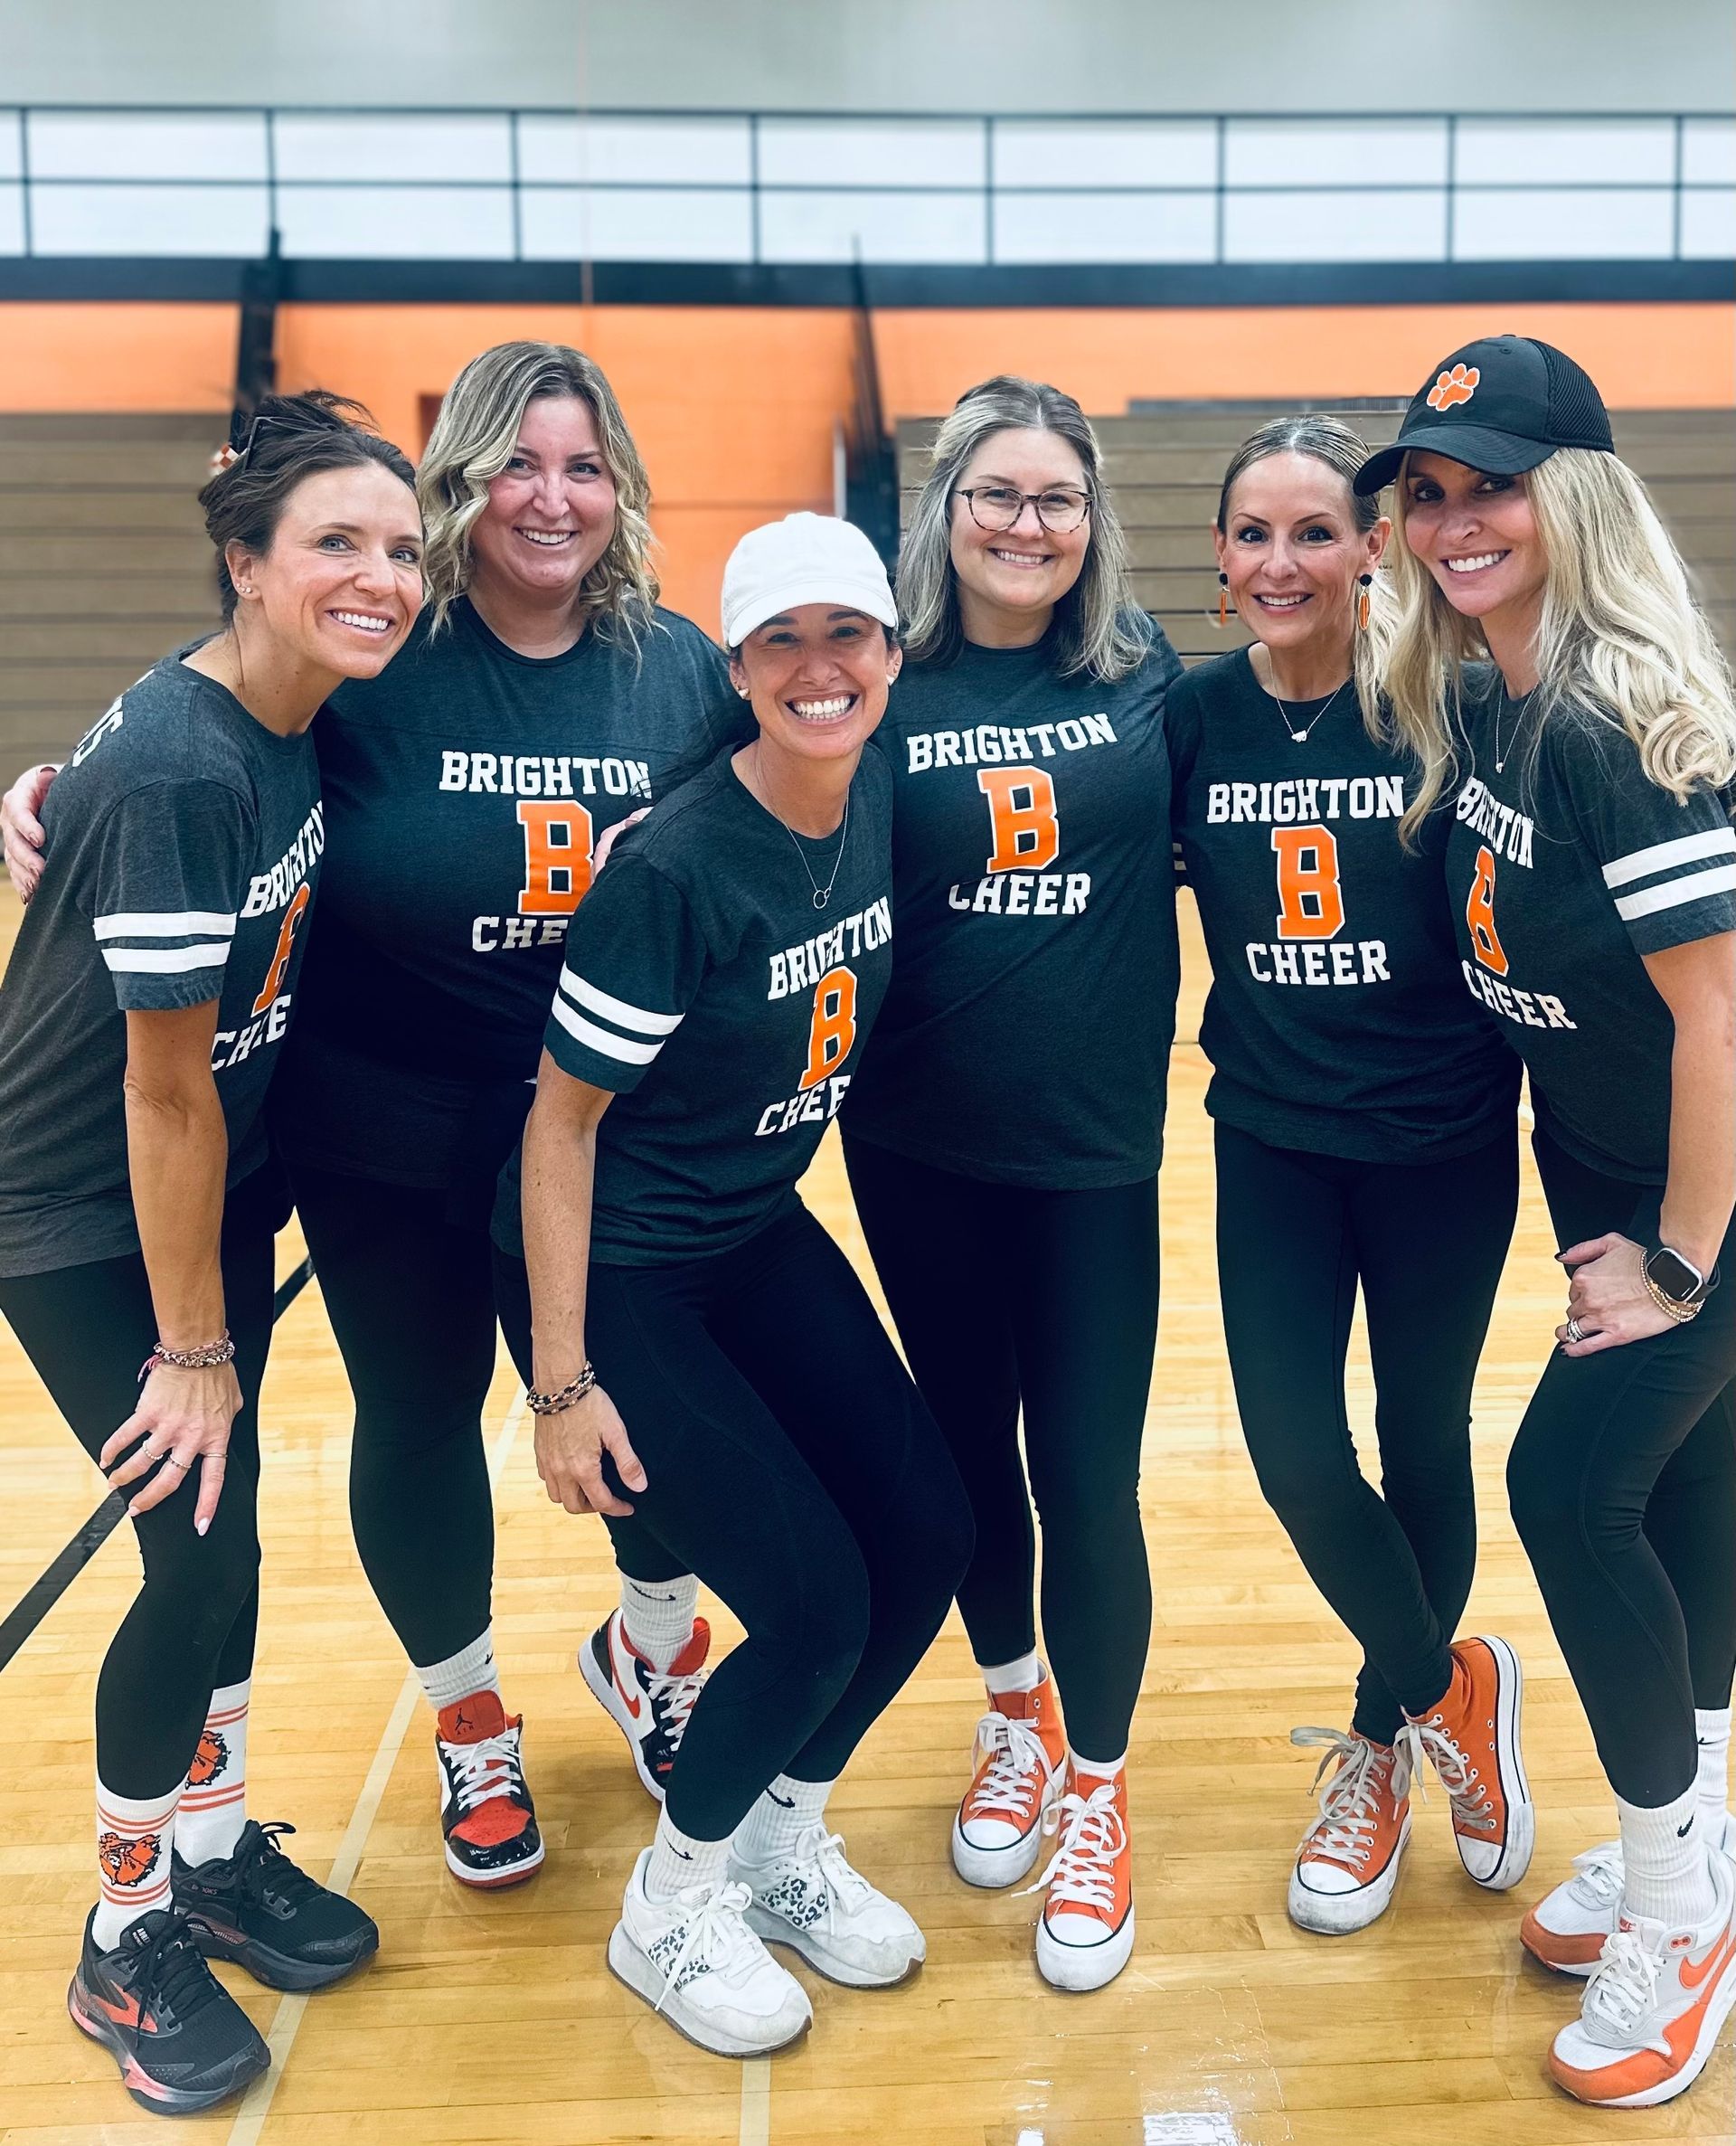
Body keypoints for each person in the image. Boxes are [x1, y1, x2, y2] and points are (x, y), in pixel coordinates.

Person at [4, 342, 742, 1884]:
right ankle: (469, 1721)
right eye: (521, 463)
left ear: (623, 488)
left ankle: (655, 1651)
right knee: (420, 1417)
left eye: (587, 464)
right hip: (379, 1125)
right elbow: (211, 716)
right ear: (464, 480)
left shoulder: (677, 666)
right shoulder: (382, 645)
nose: (555, 496)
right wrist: (56, 786)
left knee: (652, 1400)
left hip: (603, 1126)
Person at [498, 514, 973, 2058]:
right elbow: (558, 1124)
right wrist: (562, 1385)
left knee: (929, 1533)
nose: (820, 669)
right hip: (633, 1269)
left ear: (893, 656)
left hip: (755, 1228)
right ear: (739, 669)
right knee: (817, 1601)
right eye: (782, 643)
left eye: (849, 636)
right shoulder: (680, 868)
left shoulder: (879, 780)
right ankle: (672, 1900)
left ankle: (777, 1839)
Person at [0, 394, 420, 2115]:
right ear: (243, 565)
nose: (381, 575)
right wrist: (193, 1348)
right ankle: (124, 1933)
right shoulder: (189, 765)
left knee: (231, 1554)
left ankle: (217, 1846)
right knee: (195, 1568)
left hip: (205, 1191)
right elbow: (162, 1093)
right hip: (92, 1215)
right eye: (337, 543)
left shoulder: (289, 708)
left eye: (400, 548)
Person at [1363, 334, 1736, 2110]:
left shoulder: (1609, 717)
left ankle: (1679, 1904)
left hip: (1712, 1190)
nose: (1454, 522)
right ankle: (1706, 1845)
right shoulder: (1494, 687)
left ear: (1574, 495)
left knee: (1564, 1487)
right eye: (1428, 493)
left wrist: (1677, 1251)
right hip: (1616, 1160)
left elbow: (1724, 1015)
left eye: (1492, 485)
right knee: (1679, 1487)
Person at [836, 377, 1181, 1992]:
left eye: (1056, 497)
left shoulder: (1147, 676)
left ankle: (1100, 1798)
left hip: (1096, 1155)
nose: (1026, 523)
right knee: (970, 1451)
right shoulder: (873, 679)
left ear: (1092, 520)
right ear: (946, 510)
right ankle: (1016, 1714)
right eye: (997, 494)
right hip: (914, 1144)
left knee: (1089, 1478)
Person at [1168, 415, 1528, 1936]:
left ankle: (1383, 1747)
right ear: (1221, 555)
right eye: (1255, 534)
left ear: (1373, 548)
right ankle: (1457, 1693)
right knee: (1298, 1451)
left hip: (1443, 1145)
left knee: (1420, 1439)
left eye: (1316, 532)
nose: (1282, 562)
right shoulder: (1188, 719)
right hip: (1271, 1142)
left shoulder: (1453, 713)